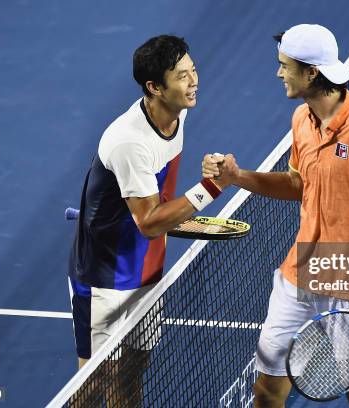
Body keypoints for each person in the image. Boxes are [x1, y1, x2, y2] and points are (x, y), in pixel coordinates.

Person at [203, 24, 349, 408]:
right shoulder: (302, 119)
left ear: (311, 73)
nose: (278, 73)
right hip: (300, 274)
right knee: (266, 391)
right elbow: (298, 183)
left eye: (285, 66)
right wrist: (237, 177)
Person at [68, 35, 233, 405]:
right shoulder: (128, 141)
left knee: (132, 371)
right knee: (93, 386)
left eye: (193, 71)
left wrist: (190, 201)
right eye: (182, 76)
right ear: (154, 87)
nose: (194, 82)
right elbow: (149, 221)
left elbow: (162, 199)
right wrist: (209, 188)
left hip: (148, 269)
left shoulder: (179, 111)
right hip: (105, 278)